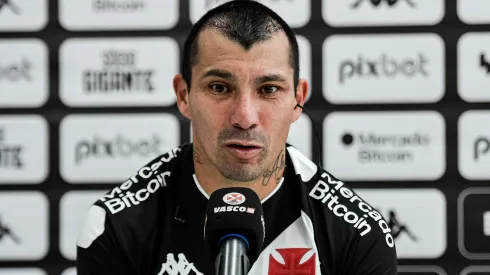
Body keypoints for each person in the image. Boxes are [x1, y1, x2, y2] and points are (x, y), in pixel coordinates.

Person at [76, 1, 398, 274]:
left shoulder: (357, 235)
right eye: (219, 87)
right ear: (184, 95)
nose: (245, 117)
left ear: (298, 99)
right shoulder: (117, 227)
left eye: (268, 89)